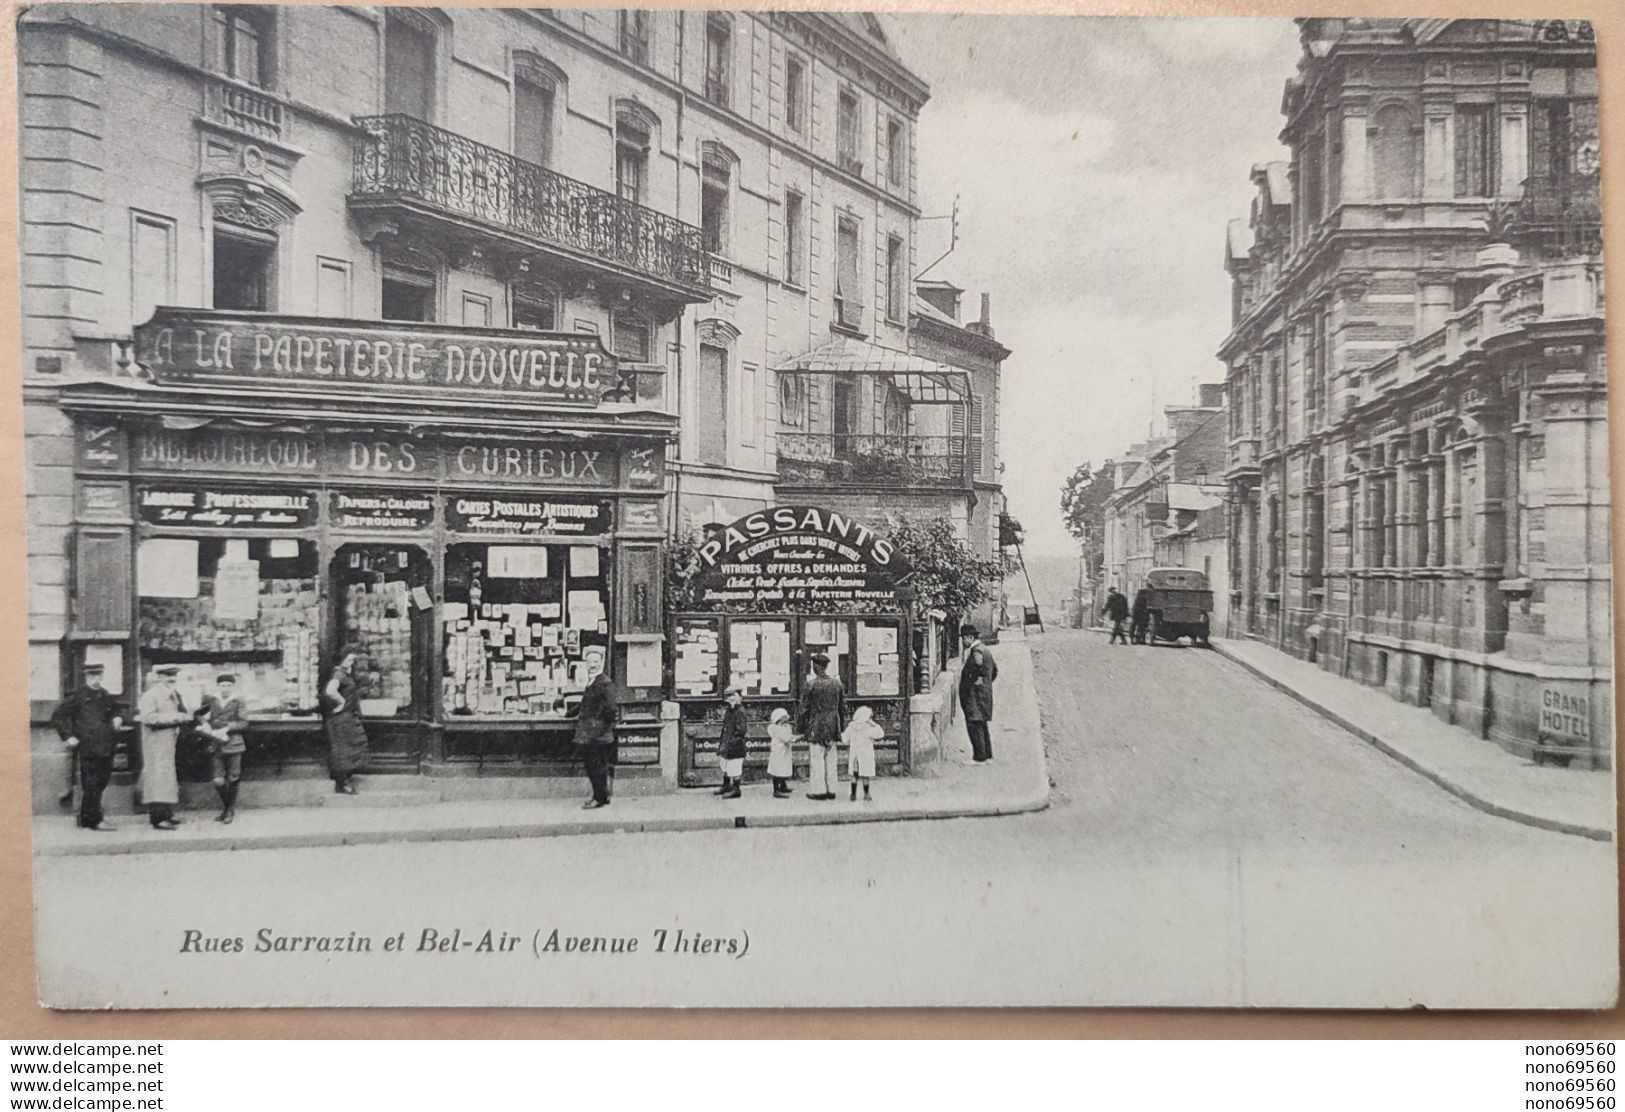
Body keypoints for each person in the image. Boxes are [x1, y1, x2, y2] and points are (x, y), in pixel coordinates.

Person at [50, 662, 125, 832]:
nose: (96, 680)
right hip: (88, 747)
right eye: (92, 676)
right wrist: (68, 737)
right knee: (91, 783)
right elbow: (58, 717)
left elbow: (116, 710)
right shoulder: (77, 697)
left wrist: (118, 717)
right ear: (86, 677)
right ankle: (95, 820)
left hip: (106, 745)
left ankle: (85, 818)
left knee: (102, 782)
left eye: (99, 676)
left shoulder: (105, 695)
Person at [136, 664, 192, 830]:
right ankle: (157, 818)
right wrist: (177, 717)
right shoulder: (151, 695)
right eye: (167, 675)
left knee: (167, 777)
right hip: (156, 742)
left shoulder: (172, 694)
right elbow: (148, 718)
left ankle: (167, 813)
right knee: (158, 777)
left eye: (174, 675)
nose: (171, 678)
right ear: (159, 677)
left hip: (168, 741)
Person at [197, 673, 248, 824]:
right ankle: (228, 808)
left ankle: (228, 810)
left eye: (228, 685)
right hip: (215, 743)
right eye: (222, 685)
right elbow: (199, 714)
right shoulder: (211, 699)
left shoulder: (238, 701)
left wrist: (226, 729)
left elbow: (244, 722)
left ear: (233, 686)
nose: (225, 688)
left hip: (233, 743)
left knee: (233, 777)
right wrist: (205, 723)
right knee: (218, 780)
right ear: (217, 686)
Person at [797, 652, 845, 801]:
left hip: (816, 727)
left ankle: (818, 790)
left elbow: (803, 709)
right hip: (832, 727)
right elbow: (842, 708)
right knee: (831, 760)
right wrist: (840, 727)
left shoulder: (811, 685)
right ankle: (832, 789)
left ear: (815, 666)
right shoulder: (837, 684)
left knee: (817, 760)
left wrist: (800, 729)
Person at [574, 659, 619, 810]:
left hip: (596, 734)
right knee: (596, 765)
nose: (592, 665)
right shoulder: (593, 681)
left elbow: (611, 709)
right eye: (589, 662)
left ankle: (598, 798)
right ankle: (602, 796)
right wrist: (567, 713)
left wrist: (601, 728)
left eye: (595, 661)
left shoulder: (605, 683)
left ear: (601, 663)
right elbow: (584, 705)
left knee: (595, 766)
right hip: (591, 732)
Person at [323, 647, 368, 795]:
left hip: (348, 715)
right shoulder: (338, 673)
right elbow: (330, 690)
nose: (351, 662)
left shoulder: (345, 673)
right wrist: (341, 702)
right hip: (341, 717)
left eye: (353, 660)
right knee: (343, 750)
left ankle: (345, 781)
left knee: (348, 748)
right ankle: (343, 783)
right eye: (349, 659)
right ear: (342, 659)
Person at [958, 625, 998, 765]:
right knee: (982, 724)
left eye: (964, 638)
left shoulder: (976, 651)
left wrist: (974, 682)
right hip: (984, 693)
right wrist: (985, 683)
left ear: (970, 637)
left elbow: (978, 666)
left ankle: (979, 757)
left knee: (974, 723)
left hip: (975, 695)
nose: (963, 642)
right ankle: (988, 756)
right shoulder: (985, 649)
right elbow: (994, 671)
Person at [843, 705, 883, 802]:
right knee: (865, 775)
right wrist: (874, 724)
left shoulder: (851, 727)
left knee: (854, 775)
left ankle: (853, 794)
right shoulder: (868, 728)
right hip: (865, 755)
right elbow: (881, 734)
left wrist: (850, 742)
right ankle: (866, 794)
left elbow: (844, 739)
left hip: (855, 755)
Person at [716, 687, 747, 800]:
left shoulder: (740, 711)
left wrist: (731, 742)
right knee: (725, 765)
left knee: (735, 766)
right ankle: (726, 785)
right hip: (727, 743)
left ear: (739, 697)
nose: (730, 698)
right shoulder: (730, 710)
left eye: (732, 695)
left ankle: (736, 789)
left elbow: (741, 730)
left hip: (735, 745)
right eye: (728, 696)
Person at [766, 707, 795, 799]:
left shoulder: (780, 728)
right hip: (779, 753)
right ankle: (776, 790)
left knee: (783, 769)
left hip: (783, 752)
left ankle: (782, 786)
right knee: (777, 771)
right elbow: (787, 738)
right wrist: (799, 737)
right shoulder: (778, 729)